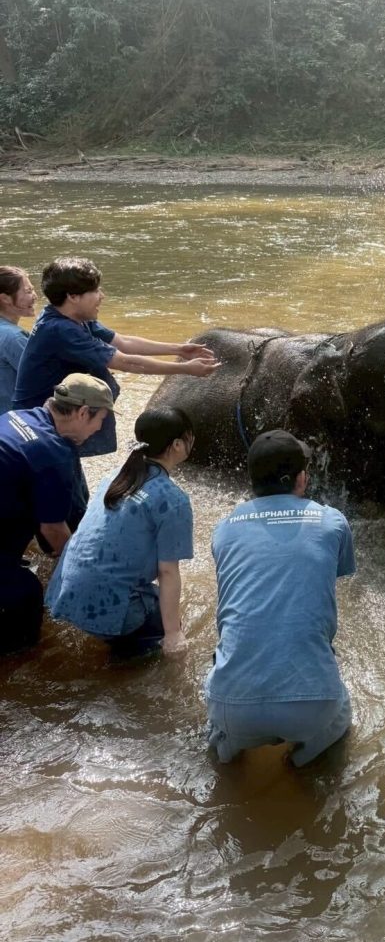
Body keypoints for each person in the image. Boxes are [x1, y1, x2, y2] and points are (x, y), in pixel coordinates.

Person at [12, 256, 218, 525]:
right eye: (95, 291)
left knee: (70, 496)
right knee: (64, 503)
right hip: (42, 427)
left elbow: (123, 342)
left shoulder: (72, 318)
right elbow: (124, 361)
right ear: (73, 296)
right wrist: (185, 369)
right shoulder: (61, 330)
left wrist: (178, 349)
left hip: (56, 420)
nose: (102, 296)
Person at [206, 429, 356, 767]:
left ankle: (228, 750)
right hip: (311, 709)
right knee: (340, 708)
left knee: (217, 673)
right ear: (301, 478)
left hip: (235, 708)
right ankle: (303, 762)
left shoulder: (224, 528)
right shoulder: (333, 521)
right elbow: (329, 583)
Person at [46, 406, 196, 658]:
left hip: (62, 594)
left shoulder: (115, 476)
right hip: (109, 607)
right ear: (178, 445)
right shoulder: (173, 499)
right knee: (167, 642)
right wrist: (172, 634)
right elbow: (168, 571)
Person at [0, 373, 113, 655]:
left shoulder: (16, 416)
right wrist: (84, 574)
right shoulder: (51, 451)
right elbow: (53, 529)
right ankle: (21, 670)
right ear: (83, 412)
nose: (99, 429)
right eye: (101, 420)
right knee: (26, 597)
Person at [0, 266, 37, 414]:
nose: (34, 295)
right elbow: (43, 378)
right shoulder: (14, 337)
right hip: (12, 421)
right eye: (28, 291)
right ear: (5, 298)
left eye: (33, 289)